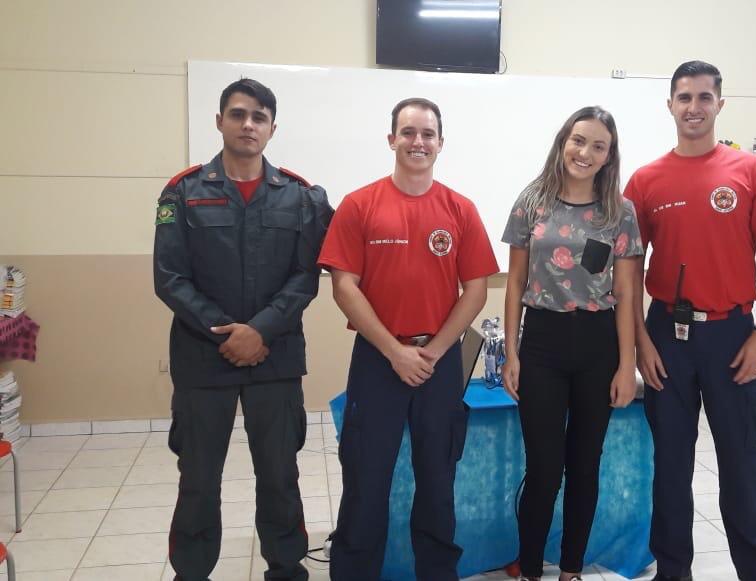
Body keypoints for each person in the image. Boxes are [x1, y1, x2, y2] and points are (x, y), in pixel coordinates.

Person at [153, 78, 333, 581]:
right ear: (219, 122)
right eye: (237, 114)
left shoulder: (300, 196)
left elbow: (306, 277)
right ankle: (192, 571)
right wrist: (228, 335)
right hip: (202, 359)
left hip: (275, 357)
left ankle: (285, 568)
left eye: (259, 117)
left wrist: (260, 331)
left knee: (279, 475)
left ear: (273, 128)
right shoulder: (184, 192)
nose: (248, 124)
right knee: (198, 479)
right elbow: (169, 278)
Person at [624, 61, 756, 581]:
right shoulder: (645, 181)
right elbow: (627, 271)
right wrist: (640, 342)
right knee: (671, 469)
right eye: (684, 97)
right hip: (666, 338)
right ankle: (673, 572)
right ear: (670, 105)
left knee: (742, 466)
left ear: (720, 104)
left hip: (733, 335)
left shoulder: (751, 171)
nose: (694, 107)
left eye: (704, 97)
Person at [320, 97, 500, 580]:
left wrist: (433, 352)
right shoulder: (359, 205)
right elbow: (344, 287)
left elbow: (476, 290)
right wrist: (395, 352)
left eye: (427, 134)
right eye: (408, 132)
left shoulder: (460, 209)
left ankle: (437, 572)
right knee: (366, 477)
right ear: (391, 139)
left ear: (440, 143)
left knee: (438, 480)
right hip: (378, 359)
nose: (418, 142)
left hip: (439, 363)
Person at [499, 106, 643, 581]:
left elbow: (627, 294)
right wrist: (512, 353)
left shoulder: (620, 212)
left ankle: (572, 569)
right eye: (578, 140)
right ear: (564, 142)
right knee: (544, 469)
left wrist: (626, 366)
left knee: (584, 466)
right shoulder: (532, 201)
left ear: (609, 156)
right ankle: (531, 569)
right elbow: (515, 282)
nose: (585, 152)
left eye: (598, 146)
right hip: (542, 343)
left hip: (598, 345)